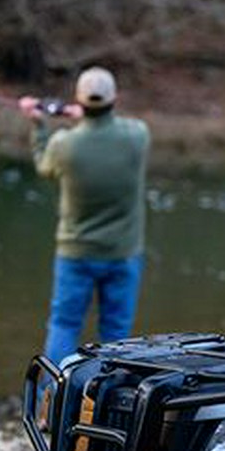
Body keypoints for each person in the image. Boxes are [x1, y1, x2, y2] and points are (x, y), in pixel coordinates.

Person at [19, 66, 150, 366]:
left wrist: (39, 125)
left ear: (79, 99)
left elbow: (43, 165)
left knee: (65, 326)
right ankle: (111, 401)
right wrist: (81, 116)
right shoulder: (137, 136)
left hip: (75, 253)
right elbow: (115, 125)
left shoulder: (64, 145)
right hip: (123, 253)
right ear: (114, 97)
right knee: (116, 332)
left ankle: (53, 398)